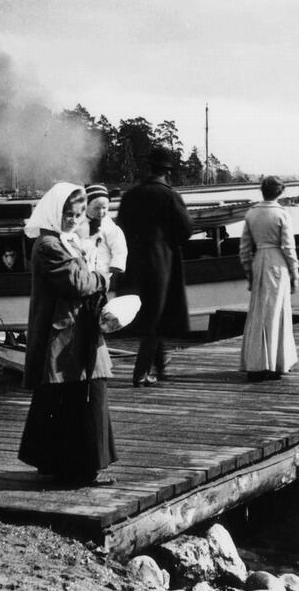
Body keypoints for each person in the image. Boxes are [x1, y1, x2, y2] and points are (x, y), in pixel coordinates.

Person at [17, 183, 116, 486]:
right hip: (65, 333)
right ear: (53, 212)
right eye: (67, 214)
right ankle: (84, 468)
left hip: (68, 329)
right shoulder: (49, 245)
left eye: (77, 214)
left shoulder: (63, 241)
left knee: (58, 397)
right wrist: (101, 277)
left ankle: (51, 462)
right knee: (86, 394)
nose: (73, 220)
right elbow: (76, 283)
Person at [115, 147, 194, 387]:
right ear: (168, 171)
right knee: (154, 317)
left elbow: (120, 229)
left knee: (149, 314)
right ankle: (140, 373)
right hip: (161, 265)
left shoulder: (130, 196)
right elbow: (186, 230)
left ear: (149, 168)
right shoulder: (170, 196)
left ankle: (160, 368)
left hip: (133, 264)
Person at [238, 176, 299, 380]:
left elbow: (245, 248)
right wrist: (295, 273)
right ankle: (275, 363)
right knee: (276, 312)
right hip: (276, 262)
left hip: (259, 261)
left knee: (258, 313)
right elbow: (289, 247)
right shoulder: (282, 214)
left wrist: (248, 271)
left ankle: (256, 363)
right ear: (279, 193)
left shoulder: (252, 213)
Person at [77, 184, 127, 287]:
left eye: (104, 208)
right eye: (96, 208)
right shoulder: (79, 224)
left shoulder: (109, 227)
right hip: (83, 268)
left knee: (100, 293)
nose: (101, 212)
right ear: (86, 206)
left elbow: (119, 247)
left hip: (103, 269)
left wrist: (117, 264)